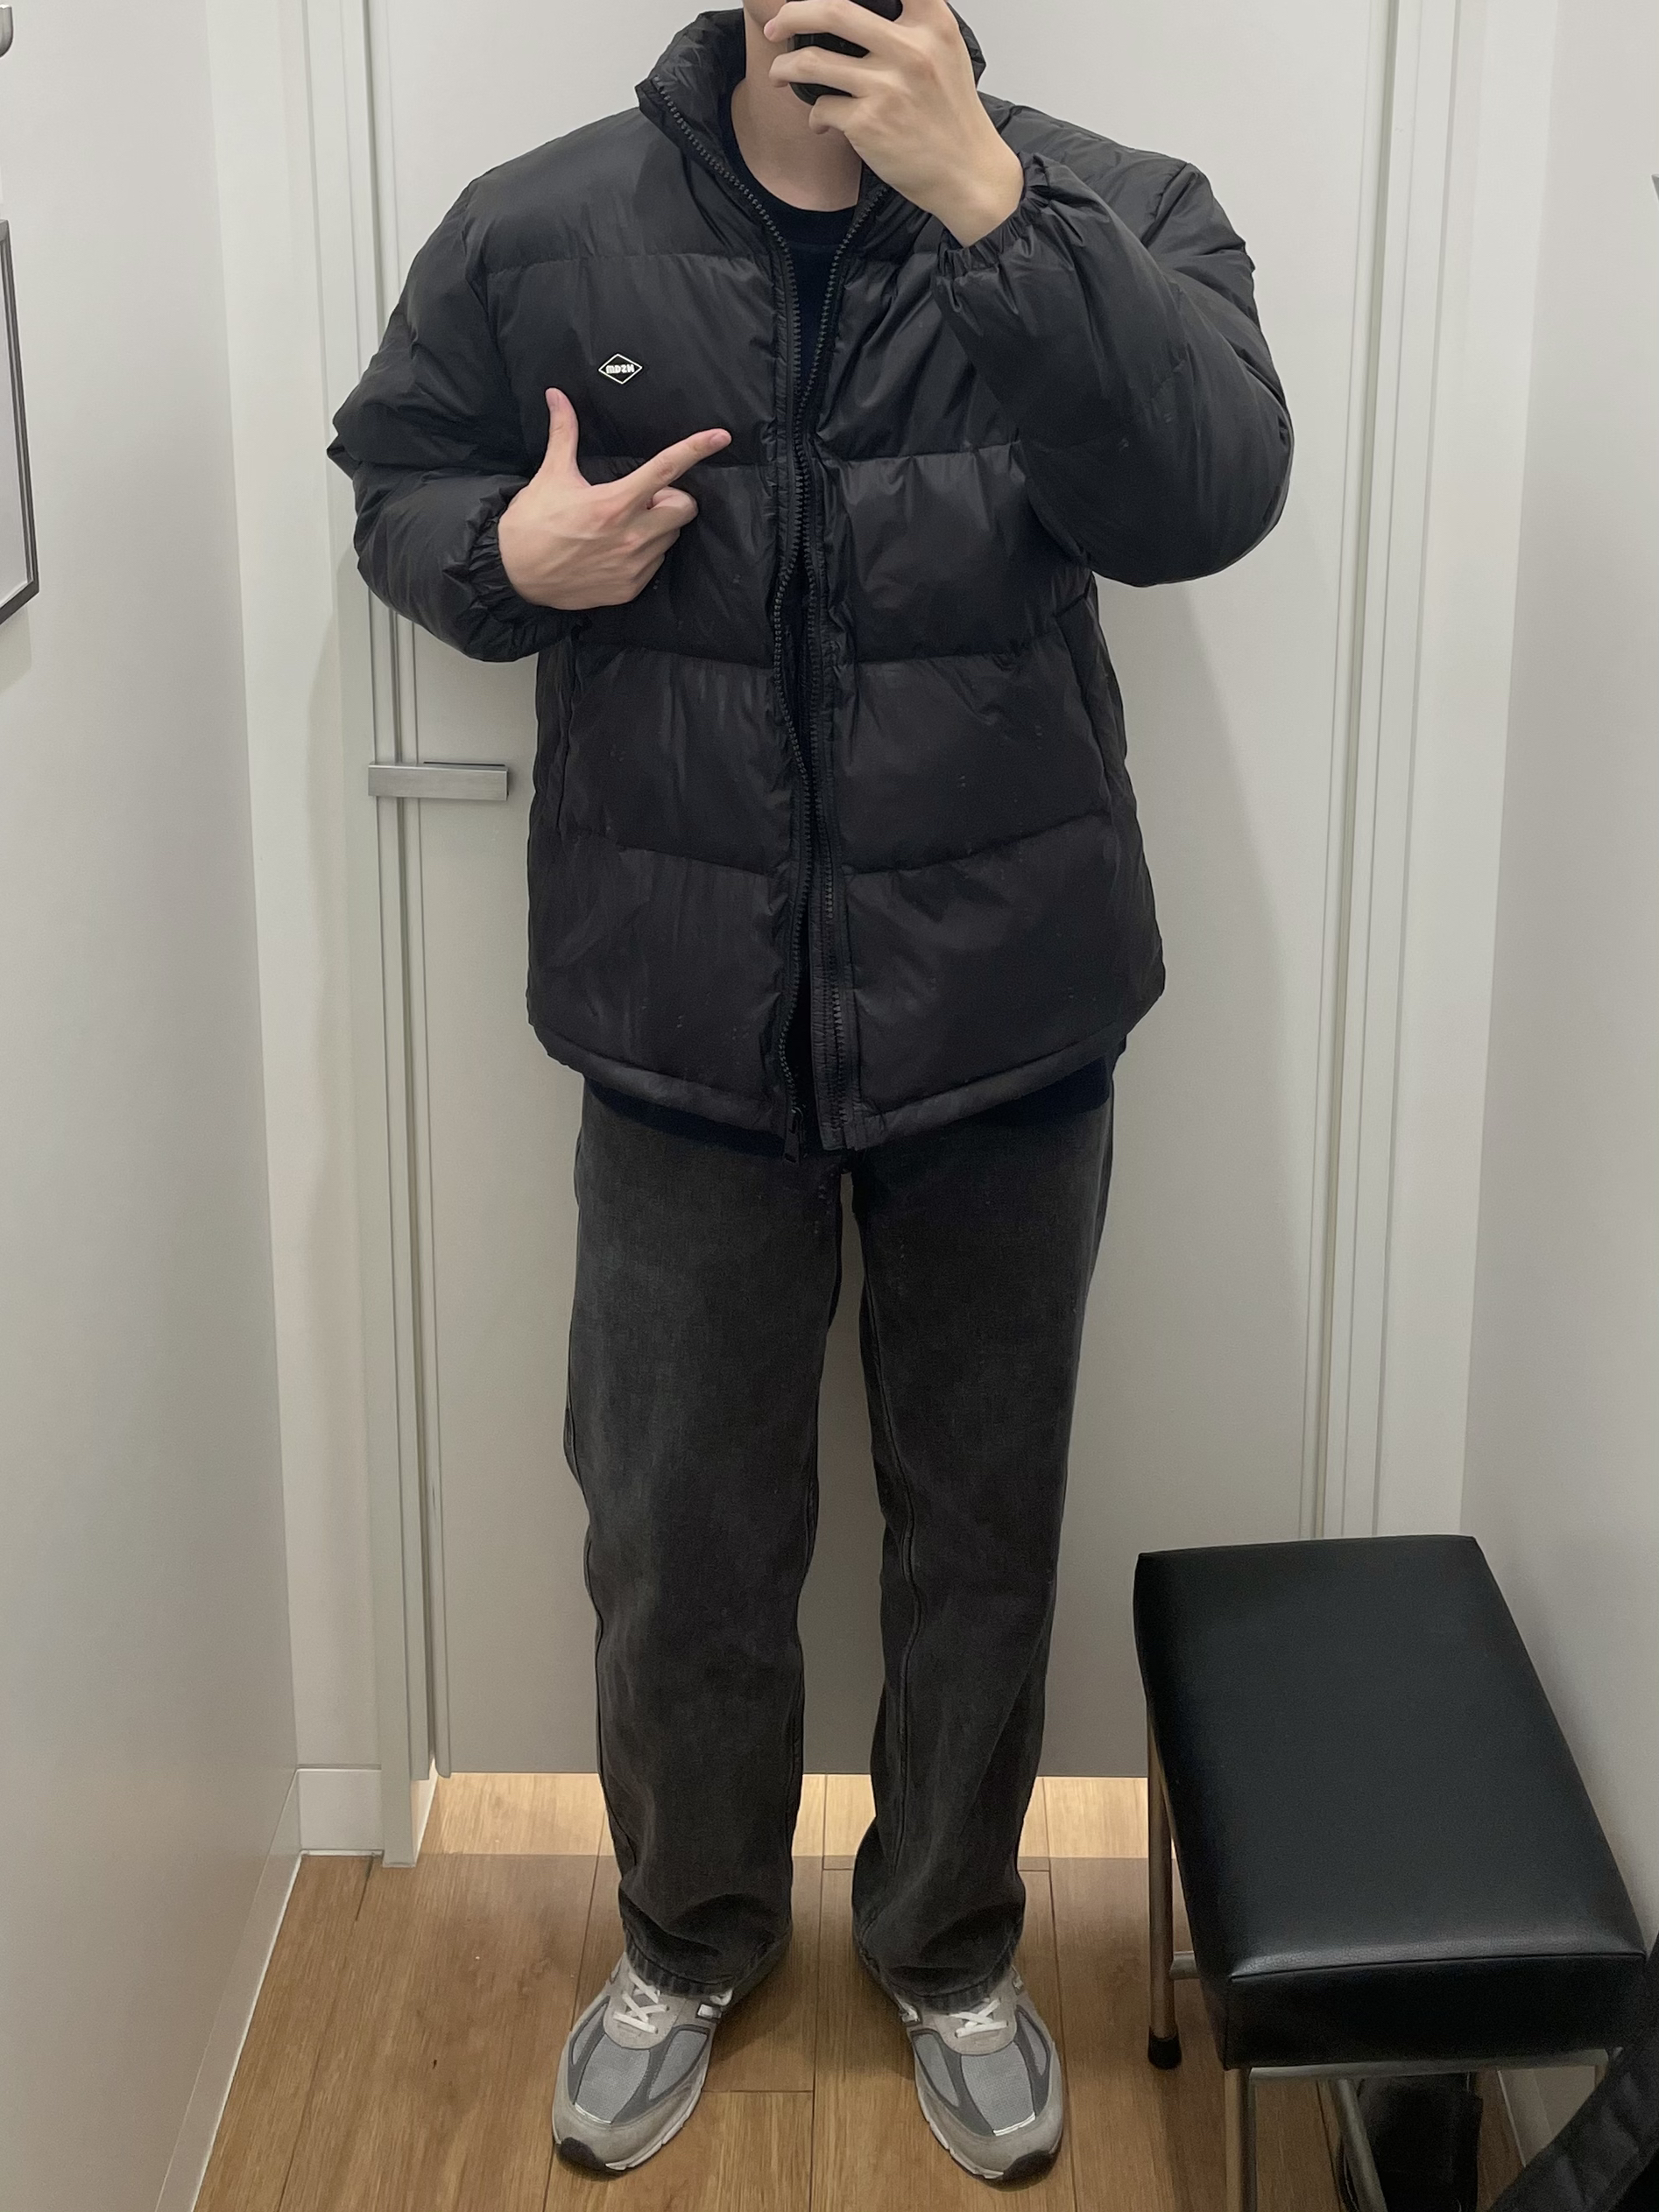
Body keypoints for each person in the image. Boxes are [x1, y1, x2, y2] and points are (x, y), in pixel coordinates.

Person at [330, 0, 1290, 2184]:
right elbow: (396, 479)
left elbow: (1207, 498)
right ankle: (686, 1940)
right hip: (678, 1018)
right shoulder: (540, 225)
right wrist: (502, 562)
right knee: (677, 1539)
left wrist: (993, 214)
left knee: (977, 1531)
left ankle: (949, 1946)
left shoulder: (1117, 208)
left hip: (1002, 1015)